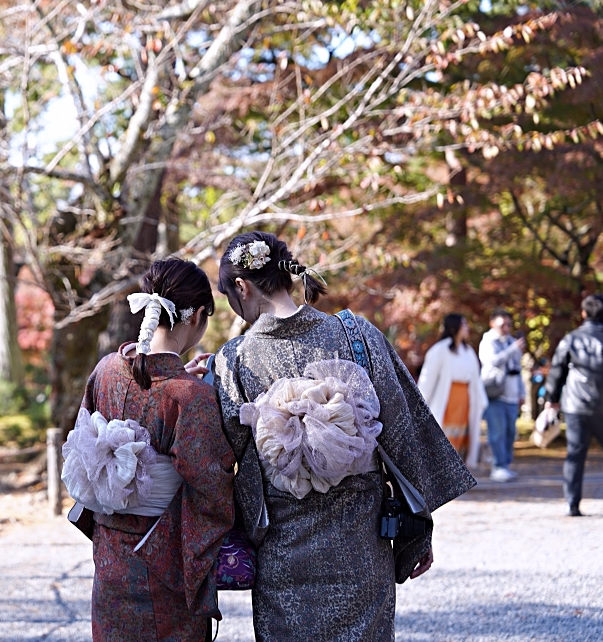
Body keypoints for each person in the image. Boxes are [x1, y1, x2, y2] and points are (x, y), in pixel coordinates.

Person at [212, 231, 475, 642]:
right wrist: (419, 529)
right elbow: (404, 435)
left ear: (241, 287)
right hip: (360, 545)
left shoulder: (234, 360)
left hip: (284, 551)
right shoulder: (356, 335)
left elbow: (230, 457)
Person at [61, 258, 235, 642]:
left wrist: (179, 379)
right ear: (198, 315)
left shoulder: (106, 370)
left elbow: (85, 445)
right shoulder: (192, 398)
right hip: (164, 562)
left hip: (110, 556)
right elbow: (212, 494)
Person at [545, 294, 603, 517]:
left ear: (583, 313)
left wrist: (551, 399)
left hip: (576, 406)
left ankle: (572, 504)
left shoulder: (571, 339)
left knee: (575, 455)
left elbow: (556, 372)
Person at [418, 314, 489, 468]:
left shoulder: (468, 351)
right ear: (454, 327)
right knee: (445, 435)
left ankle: (457, 469)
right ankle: (444, 469)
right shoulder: (439, 350)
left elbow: (476, 379)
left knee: (463, 435)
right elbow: (428, 379)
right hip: (447, 400)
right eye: (464, 325)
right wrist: (420, 402)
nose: (467, 328)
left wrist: (481, 401)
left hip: (465, 399)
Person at [478, 309, 526, 482]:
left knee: (510, 432)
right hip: (495, 394)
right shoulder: (488, 341)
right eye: (502, 324)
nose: (506, 328)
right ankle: (497, 466)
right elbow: (492, 362)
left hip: (512, 395)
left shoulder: (511, 342)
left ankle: (505, 465)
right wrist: (513, 349)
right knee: (496, 432)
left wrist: (522, 392)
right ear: (492, 324)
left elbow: (518, 370)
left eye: (508, 324)